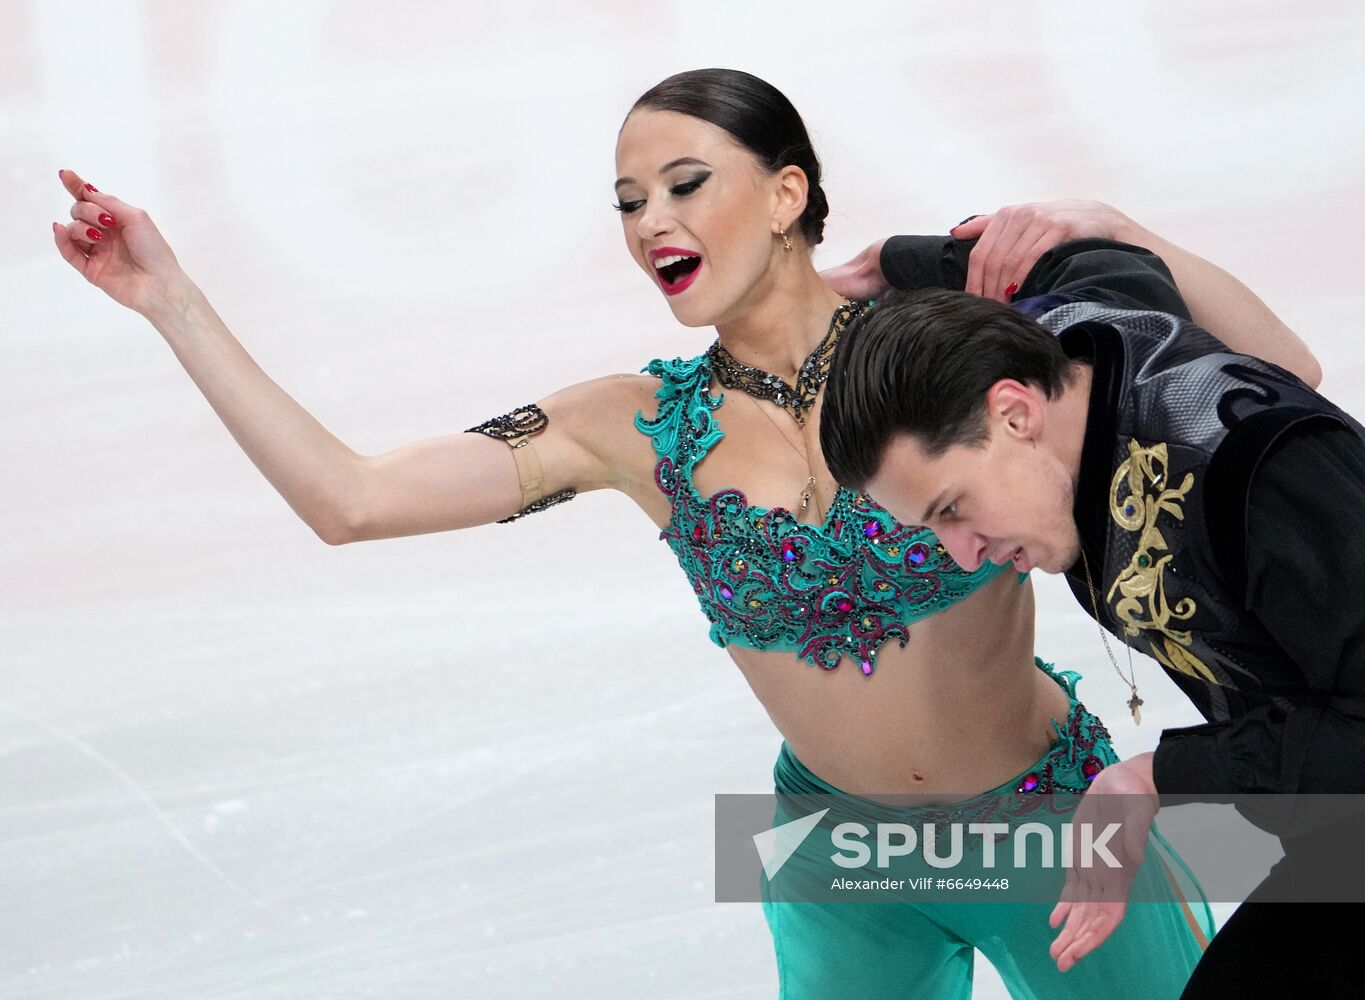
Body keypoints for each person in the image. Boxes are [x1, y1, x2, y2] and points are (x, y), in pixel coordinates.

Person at [51, 68, 1316, 998]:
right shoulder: (635, 424)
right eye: (626, 200)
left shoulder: (949, 344)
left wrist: (1132, 237)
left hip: (1050, 824)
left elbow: (1275, 373)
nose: (651, 217)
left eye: (685, 182)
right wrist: (172, 303)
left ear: (787, 192)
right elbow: (351, 499)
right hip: (840, 859)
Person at [818, 235, 1364, 995]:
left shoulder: (1263, 472)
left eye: (952, 509)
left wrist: (1155, 778)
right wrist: (896, 261)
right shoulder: (1076, 333)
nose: (964, 554)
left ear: (1012, 413)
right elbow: (1063, 257)